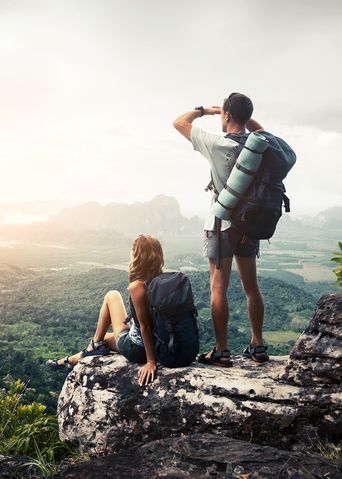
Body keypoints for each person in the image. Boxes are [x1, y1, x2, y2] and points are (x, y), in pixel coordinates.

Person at [173, 92, 269, 366]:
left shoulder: (217, 143)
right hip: (249, 225)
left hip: (221, 225)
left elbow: (179, 122)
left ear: (227, 115)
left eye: (225, 114)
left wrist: (207, 110)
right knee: (252, 287)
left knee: (218, 288)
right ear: (246, 116)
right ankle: (258, 346)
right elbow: (262, 130)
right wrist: (239, 114)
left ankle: (221, 350)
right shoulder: (259, 143)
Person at [47, 234, 164, 385]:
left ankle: (91, 347)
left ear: (137, 256)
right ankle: (71, 359)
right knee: (107, 339)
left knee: (112, 295)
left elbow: (145, 326)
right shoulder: (163, 281)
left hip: (138, 350)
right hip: (160, 344)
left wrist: (150, 361)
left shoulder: (138, 286)